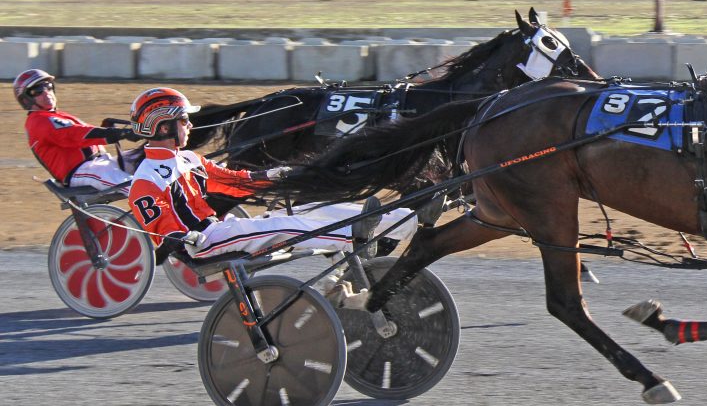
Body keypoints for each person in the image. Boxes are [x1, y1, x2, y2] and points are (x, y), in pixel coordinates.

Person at [126, 86, 417, 261]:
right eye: (184, 120)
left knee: (312, 209)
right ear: (163, 127)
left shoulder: (189, 158)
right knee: (282, 225)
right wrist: (184, 238)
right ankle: (356, 238)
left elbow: (235, 183)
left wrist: (278, 175)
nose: (190, 126)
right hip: (206, 242)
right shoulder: (146, 180)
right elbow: (162, 231)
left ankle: (401, 221)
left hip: (220, 229)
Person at [16, 68, 140, 192]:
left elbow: (81, 134)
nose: (46, 92)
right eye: (37, 90)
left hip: (100, 164)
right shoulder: (38, 121)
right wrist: (119, 133)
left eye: (48, 86)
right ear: (26, 99)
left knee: (148, 155)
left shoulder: (54, 116)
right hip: (83, 171)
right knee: (141, 191)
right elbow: (74, 135)